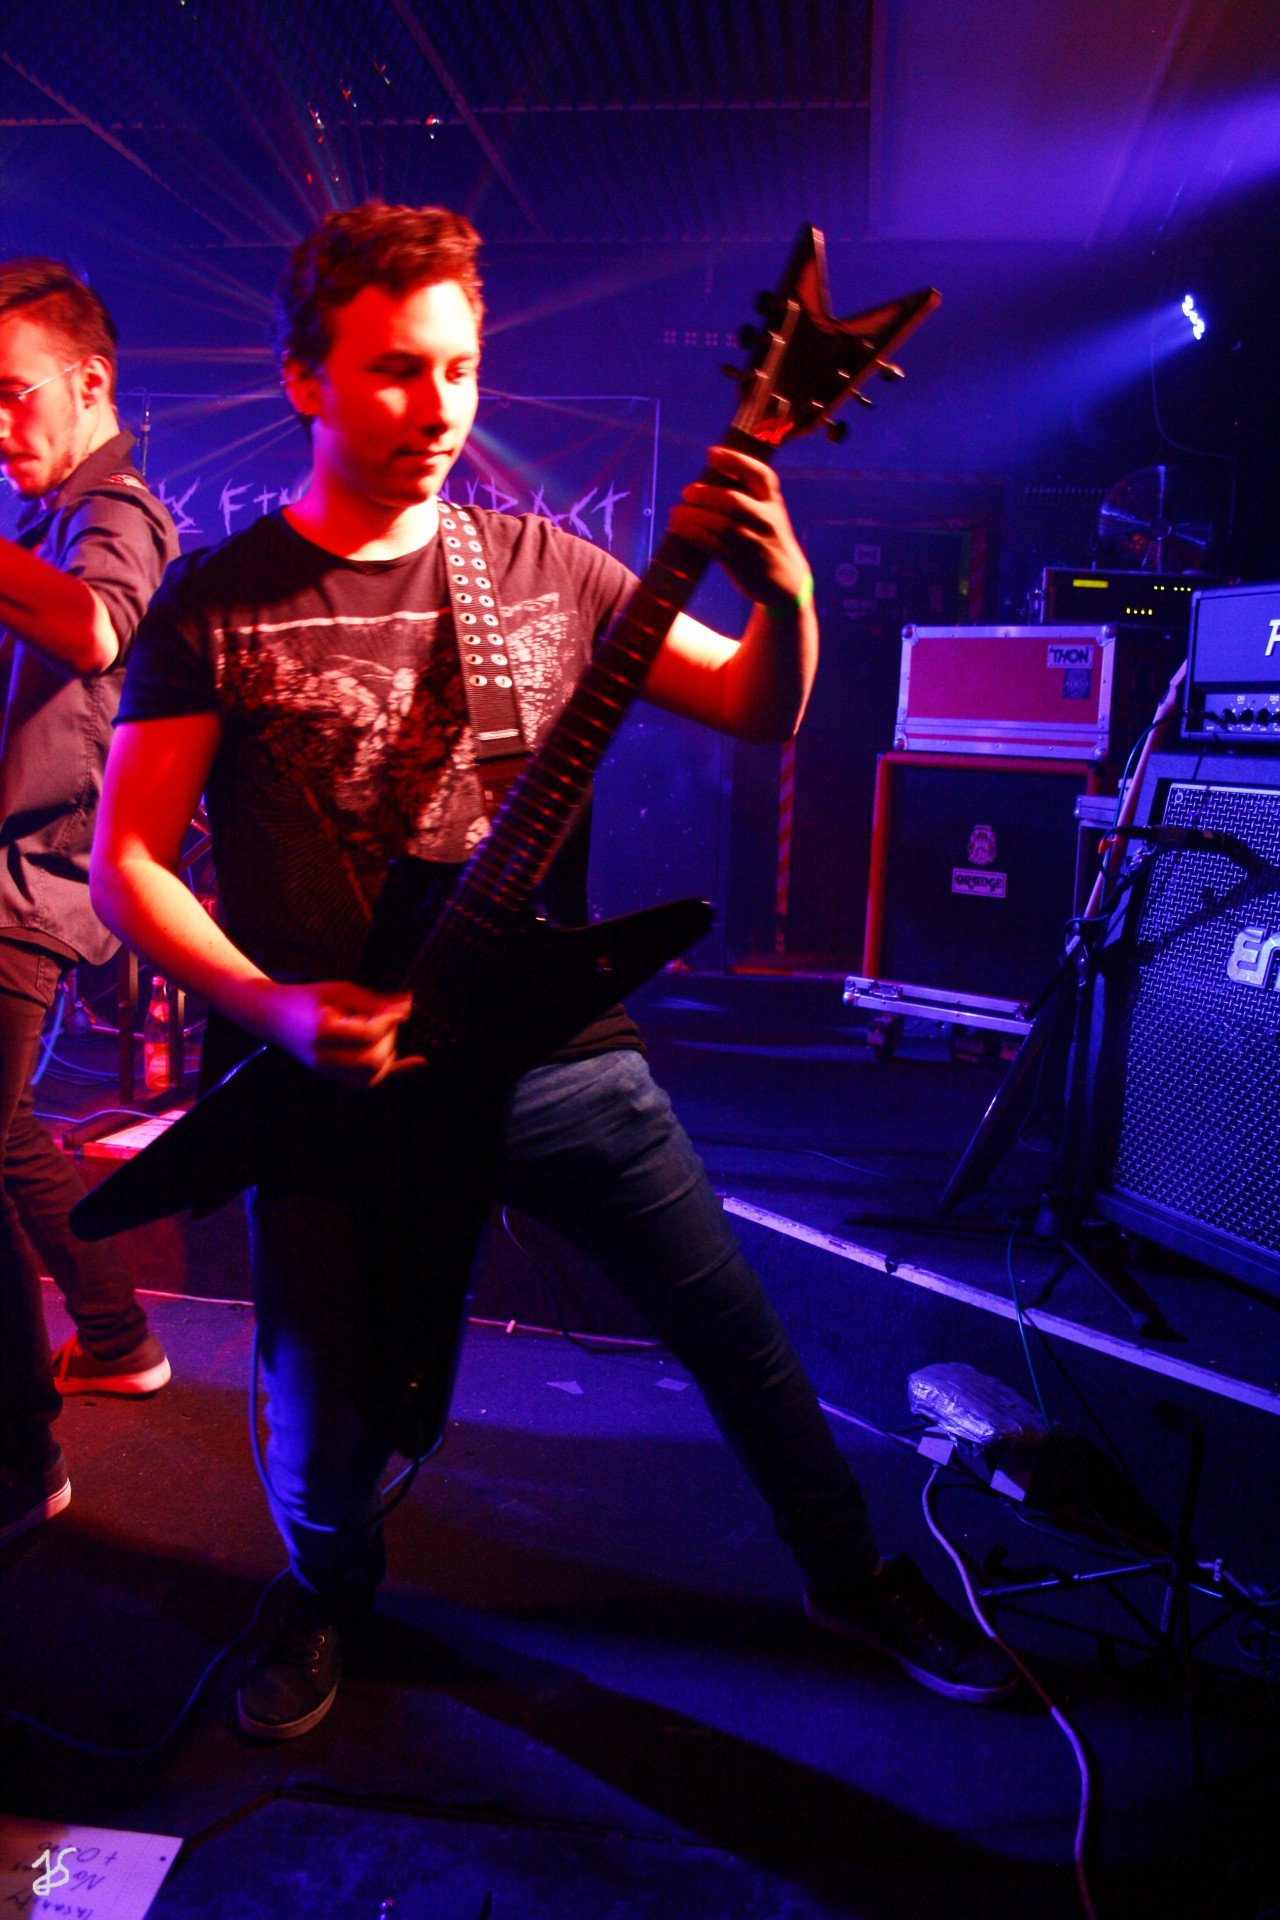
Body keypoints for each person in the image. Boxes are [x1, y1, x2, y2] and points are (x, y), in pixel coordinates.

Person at [90, 202, 1013, 1739]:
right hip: (335, 1067)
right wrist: (273, 1006)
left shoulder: (543, 566)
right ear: (306, 378)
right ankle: (325, 1591)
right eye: (396, 370)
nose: (438, 407)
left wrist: (787, 594)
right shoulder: (217, 600)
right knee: (322, 1407)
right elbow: (125, 862)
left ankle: (852, 1573)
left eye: (459, 369)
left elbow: (759, 708)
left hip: (550, 1046)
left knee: (733, 1328)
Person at [0, 260, 177, 1550]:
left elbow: (100, 631)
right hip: (17, 881)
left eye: (12, 395)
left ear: (90, 382)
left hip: (27, 893)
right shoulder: (52, 518)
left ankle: (18, 1461)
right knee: (8, 1133)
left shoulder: (115, 508)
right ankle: (115, 1338)